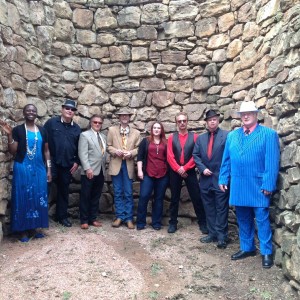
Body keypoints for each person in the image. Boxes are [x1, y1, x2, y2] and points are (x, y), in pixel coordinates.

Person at [219, 101, 280, 268]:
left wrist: (268, 184)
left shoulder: (268, 135)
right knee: (243, 218)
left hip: (258, 185)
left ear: (256, 115)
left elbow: (272, 162)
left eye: (249, 113)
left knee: (261, 219)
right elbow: (226, 160)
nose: (245, 116)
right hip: (238, 184)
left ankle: (266, 252)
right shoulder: (232, 136)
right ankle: (247, 248)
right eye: (242, 114)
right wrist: (223, 178)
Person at [0, 104, 51, 242]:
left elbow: (46, 151)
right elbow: (13, 151)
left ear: (36, 114)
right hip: (22, 167)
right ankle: (22, 230)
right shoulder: (17, 130)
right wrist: (10, 135)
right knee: (22, 196)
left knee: (37, 196)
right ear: (24, 113)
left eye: (33, 110)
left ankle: (34, 228)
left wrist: (49, 169)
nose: (31, 112)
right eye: (28, 110)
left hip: (39, 168)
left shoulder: (42, 130)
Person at [193, 110, 229, 249]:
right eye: (210, 120)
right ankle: (212, 233)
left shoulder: (226, 136)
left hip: (220, 179)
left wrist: (225, 176)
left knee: (221, 208)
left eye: (214, 119)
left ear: (218, 121)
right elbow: (196, 155)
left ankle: (222, 237)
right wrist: (202, 168)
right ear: (206, 123)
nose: (212, 121)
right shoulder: (201, 139)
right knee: (208, 207)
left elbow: (229, 156)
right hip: (205, 179)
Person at [167, 112, 207, 234]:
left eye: (184, 120)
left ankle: (203, 223)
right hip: (175, 172)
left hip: (189, 171)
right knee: (174, 198)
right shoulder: (171, 138)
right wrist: (178, 169)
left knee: (196, 197)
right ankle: (173, 223)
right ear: (176, 123)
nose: (182, 123)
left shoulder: (195, 137)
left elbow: (196, 155)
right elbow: (170, 156)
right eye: (179, 121)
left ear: (187, 122)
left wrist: (185, 168)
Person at [44, 99, 81, 227]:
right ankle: (42, 217)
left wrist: (77, 162)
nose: (69, 111)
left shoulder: (77, 129)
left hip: (67, 164)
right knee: (46, 189)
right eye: (67, 108)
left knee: (64, 191)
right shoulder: (51, 123)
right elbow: (44, 143)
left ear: (74, 112)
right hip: (52, 162)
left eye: (72, 109)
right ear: (62, 109)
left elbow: (79, 147)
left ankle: (62, 217)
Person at [107, 107, 140, 229]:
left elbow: (138, 148)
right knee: (118, 192)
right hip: (116, 165)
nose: (124, 117)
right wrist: (116, 151)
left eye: (127, 115)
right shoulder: (112, 130)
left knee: (128, 193)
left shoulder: (136, 133)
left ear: (130, 117)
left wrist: (131, 153)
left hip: (128, 165)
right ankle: (119, 216)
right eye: (122, 115)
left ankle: (129, 218)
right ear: (119, 117)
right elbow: (108, 146)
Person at [136, 122, 169, 230]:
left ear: (161, 130)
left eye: (158, 128)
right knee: (144, 197)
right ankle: (140, 223)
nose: (156, 129)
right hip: (148, 174)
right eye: (154, 128)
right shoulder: (145, 141)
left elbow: (169, 158)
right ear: (151, 129)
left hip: (162, 174)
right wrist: (140, 171)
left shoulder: (166, 142)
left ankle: (156, 223)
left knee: (159, 199)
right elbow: (140, 157)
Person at [78, 114, 106, 230]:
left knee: (96, 195)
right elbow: (82, 153)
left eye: (99, 123)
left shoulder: (103, 136)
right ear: (91, 123)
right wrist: (87, 168)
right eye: (95, 122)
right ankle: (84, 220)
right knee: (86, 195)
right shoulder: (85, 135)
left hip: (101, 170)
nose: (97, 124)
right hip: (89, 171)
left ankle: (93, 218)